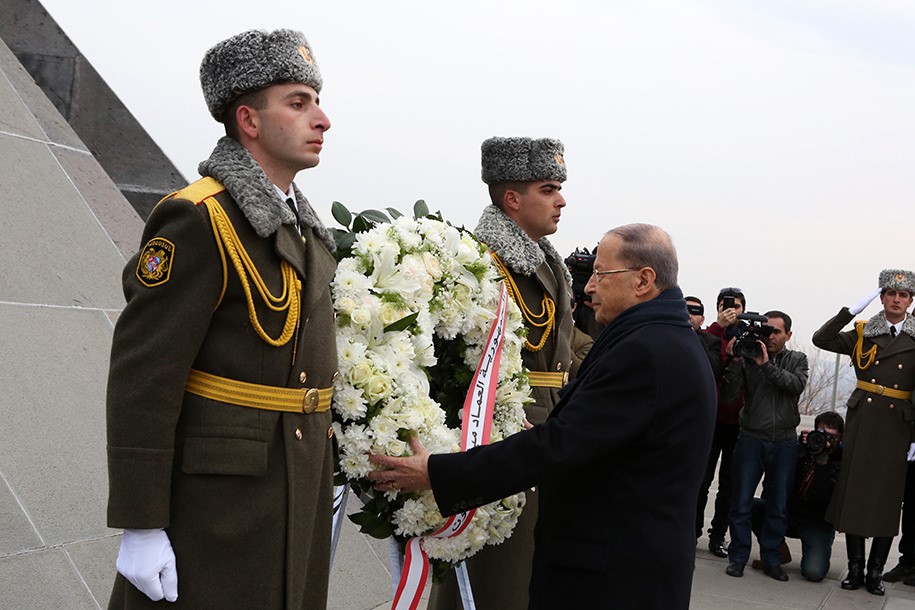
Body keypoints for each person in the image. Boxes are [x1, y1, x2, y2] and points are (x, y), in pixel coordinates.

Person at [105, 29, 338, 608]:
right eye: (298, 101)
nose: (323, 119)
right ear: (249, 121)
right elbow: (144, 378)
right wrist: (140, 523)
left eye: (317, 100)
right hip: (218, 505)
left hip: (294, 485)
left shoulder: (305, 232)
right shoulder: (199, 218)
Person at [370, 224, 717, 610]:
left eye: (601, 274)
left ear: (643, 280)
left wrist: (437, 472)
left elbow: (555, 448)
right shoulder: (661, 340)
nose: (589, 287)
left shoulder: (646, 351)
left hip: (612, 580)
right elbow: (595, 440)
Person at [428, 136, 591, 610]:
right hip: (502, 428)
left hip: (545, 424)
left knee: (528, 574)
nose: (561, 200)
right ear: (512, 199)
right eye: (548, 189)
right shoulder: (483, 261)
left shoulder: (545, 262)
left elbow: (565, 343)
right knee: (494, 576)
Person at [812, 269, 915, 596]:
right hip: (863, 421)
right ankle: (855, 569)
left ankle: (875, 571)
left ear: (910, 301)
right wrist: (850, 311)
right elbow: (822, 339)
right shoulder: (862, 331)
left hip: (898, 425)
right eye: (889, 294)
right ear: (881, 298)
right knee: (855, 493)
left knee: (887, 498)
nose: (896, 299)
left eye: (903, 295)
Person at [722, 310, 808, 581]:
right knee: (741, 502)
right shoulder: (747, 357)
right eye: (766, 331)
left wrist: (766, 364)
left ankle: (772, 558)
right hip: (751, 438)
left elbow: (795, 386)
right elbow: (729, 395)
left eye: (776, 332)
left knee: (778, 505)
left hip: (784, 441)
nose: (769, 336)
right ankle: (737, 556)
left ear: (788, 336)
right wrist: (735, 361)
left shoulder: (797, 359)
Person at [749, 411, 844, 582]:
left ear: (841, 438)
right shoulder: (802, 450)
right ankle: (777, 550)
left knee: (814, 573)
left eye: (833, 437)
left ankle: (818, 549)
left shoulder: (843, 460)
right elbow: (775, 481)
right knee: (749, 506)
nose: (826, 441)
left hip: (818, 524)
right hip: (788, 515)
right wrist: (799, 450)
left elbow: (823, 497)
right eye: (821, 435)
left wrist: (822, 461)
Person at [695, 288, 746, 557]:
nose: (731, 310)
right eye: (726, 305)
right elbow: (701, 357)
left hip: (737, 423)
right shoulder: (708, 335)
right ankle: (692, 533)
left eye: (736, 306)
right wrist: (719, 327)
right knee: (701, 481)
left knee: (729, 485)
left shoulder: (747, 338)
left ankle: (718, 537)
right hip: (711, 420)